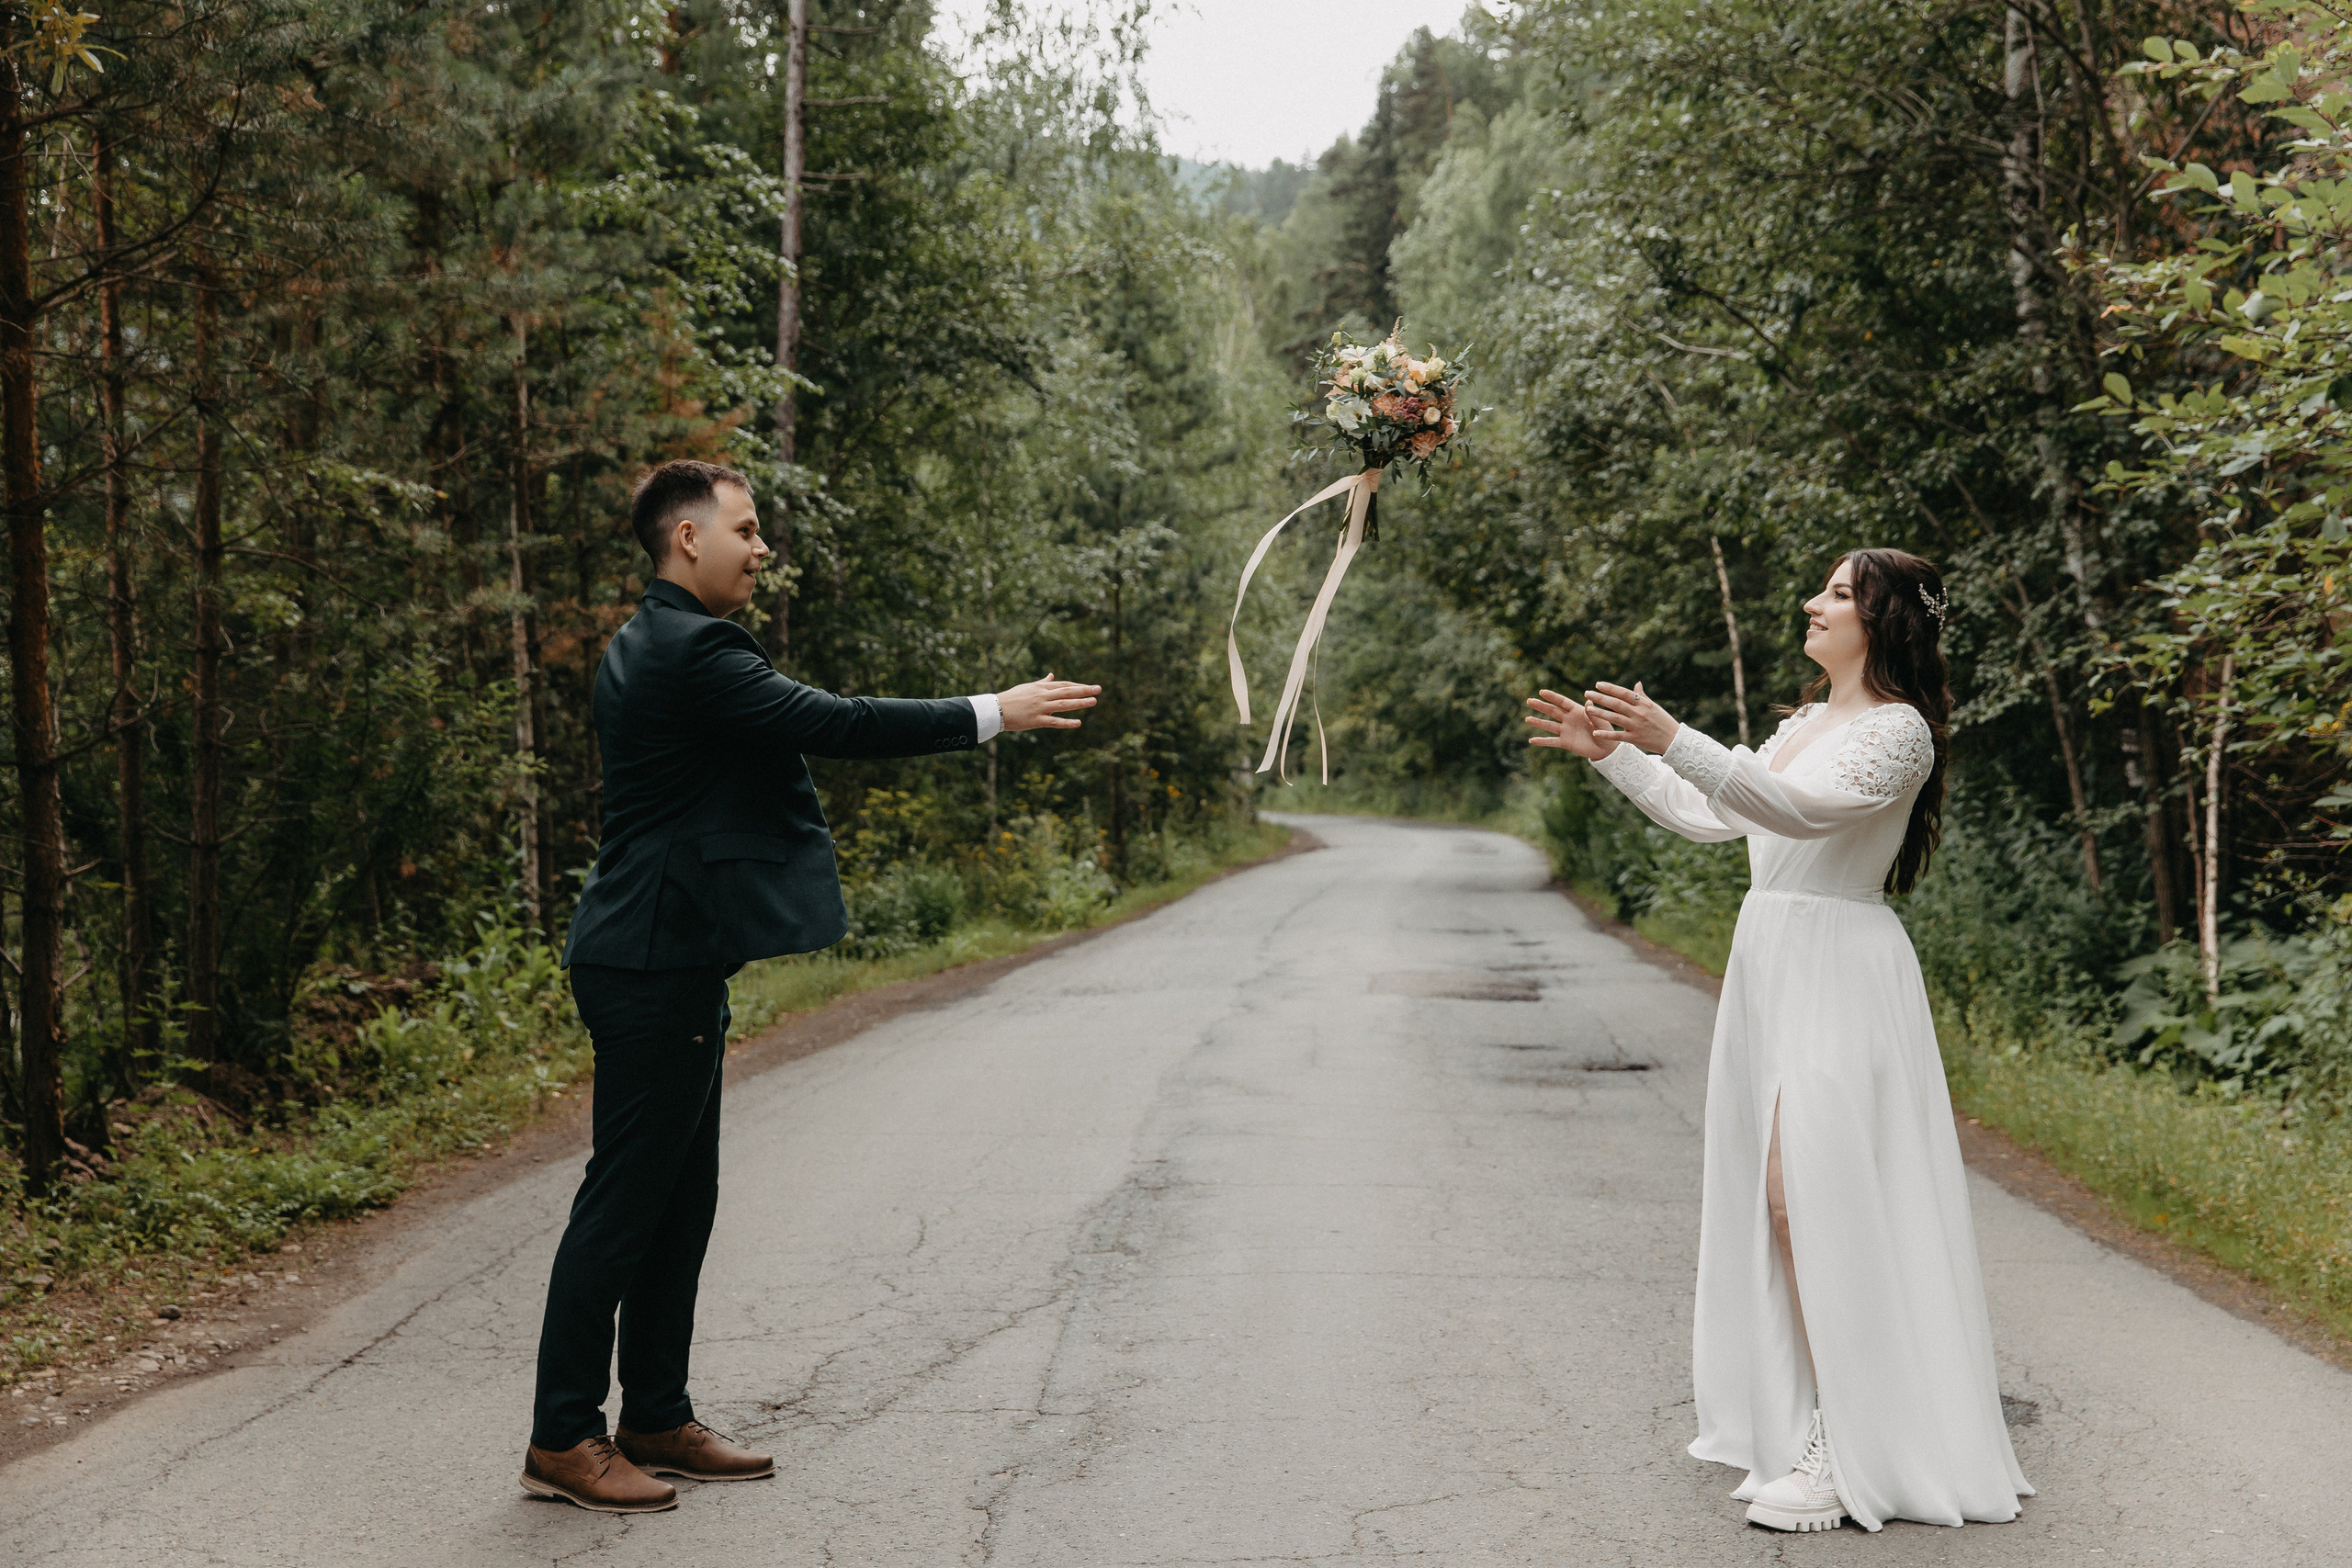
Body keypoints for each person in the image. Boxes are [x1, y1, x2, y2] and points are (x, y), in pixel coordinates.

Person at [520, 459, 1101, 1514]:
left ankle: (654, 1414)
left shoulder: (648, 641)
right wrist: (990, 711)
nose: (760, 547)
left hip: (667, 954)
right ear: (687, 539)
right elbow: (833, 722)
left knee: (677, 1203)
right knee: (623, 1206)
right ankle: (564, 1436)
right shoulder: (692, 650)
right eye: (745, 529)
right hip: (648, 960)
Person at [1523, 548, 2030, 1534]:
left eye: (1839, 593)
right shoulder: (1805, 723)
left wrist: (1678, 735)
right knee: (1779, 1204)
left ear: (1884, 622)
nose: (1813, 601)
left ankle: (1850, 1444)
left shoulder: (1899, 734)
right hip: (1773, 964)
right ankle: (1807, 1417)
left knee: (1809, 1199)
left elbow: (1794, 812)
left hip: (1842, 968)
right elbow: (1717, 812)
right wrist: (1617, 753)